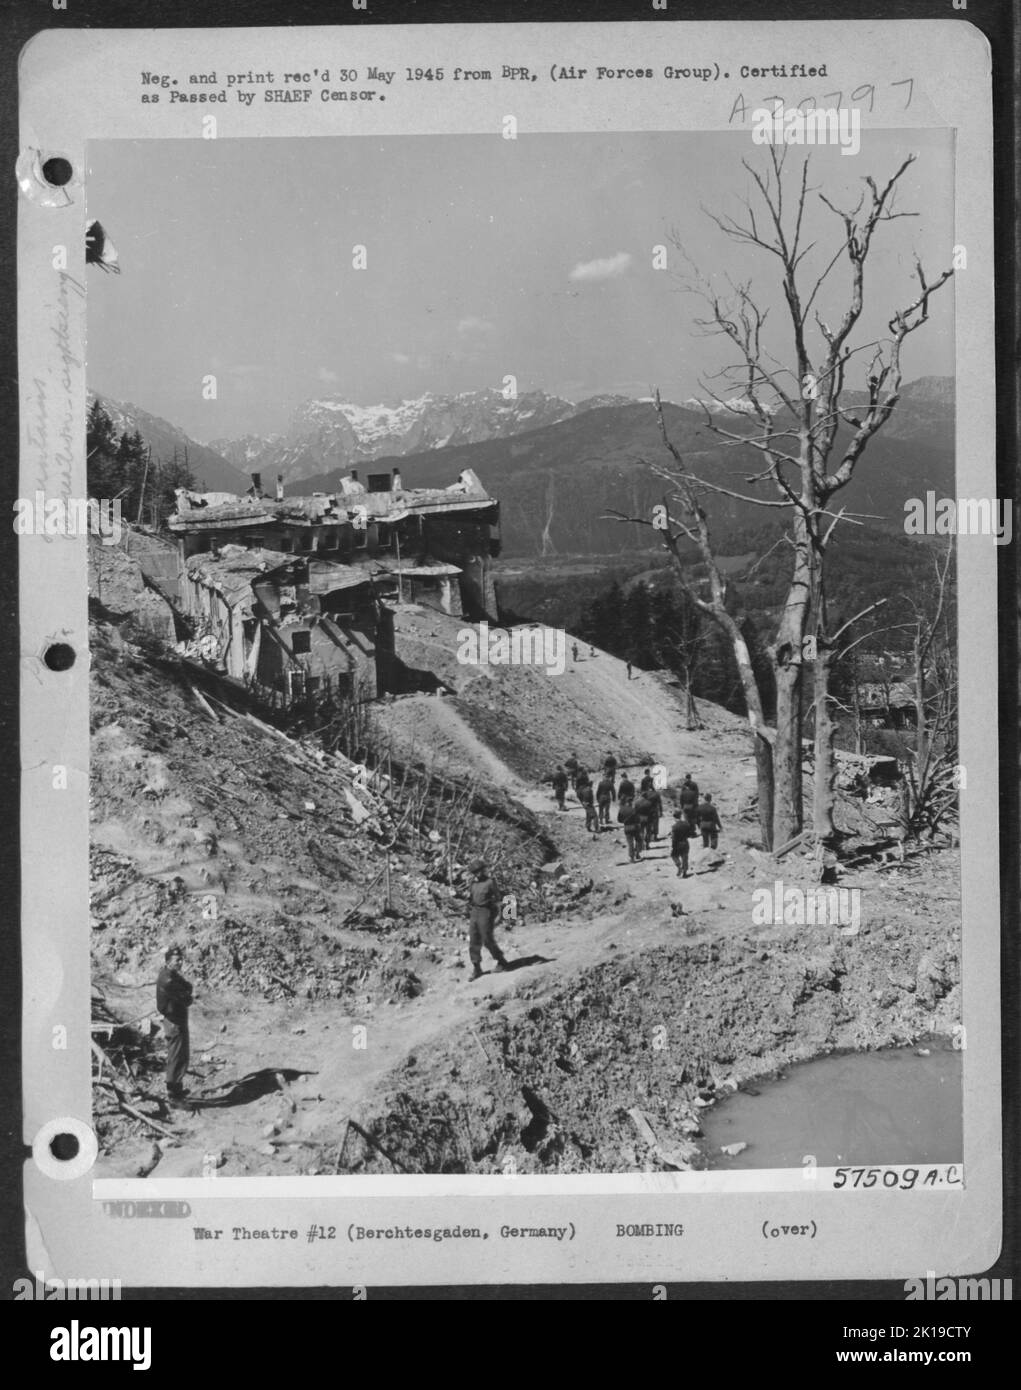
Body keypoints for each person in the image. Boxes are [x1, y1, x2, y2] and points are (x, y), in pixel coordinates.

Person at [156, 945, 194, 1101]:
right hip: (174, 1022)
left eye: (181, 960)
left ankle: (177, 1089)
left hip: (178, 1019)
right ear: (168, 961)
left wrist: (186, 992)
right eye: (177, 960)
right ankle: (173, 1096)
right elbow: (187, 998)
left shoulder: (170, 974)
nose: (180, 963)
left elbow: (188, 987)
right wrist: (187, 995)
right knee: (176, 1056)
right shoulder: (168, 979)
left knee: (181, 1055)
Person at [467, 861, 508, 980]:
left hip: (486, 912)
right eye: (475, 872)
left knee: (487, 939)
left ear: (484, 870)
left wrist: (499, 915)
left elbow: (498, 899)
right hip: (474, 912)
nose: (478, 874)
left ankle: (501, 961)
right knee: (473, 939)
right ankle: (477, 968)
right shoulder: (473, 884)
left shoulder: (490, 882)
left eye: (480, 871)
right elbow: (470, 898)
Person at [670, 809, 692, 877]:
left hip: (677, 844)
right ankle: (685, 872)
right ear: (680, 816)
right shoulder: (686, 824)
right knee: (685, 857)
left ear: (674, 817)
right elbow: (689, 834)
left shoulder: (674, 827)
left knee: (674, 856)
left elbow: (673, 838)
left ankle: (679, 866)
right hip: (685, 842)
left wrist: (673, 846)